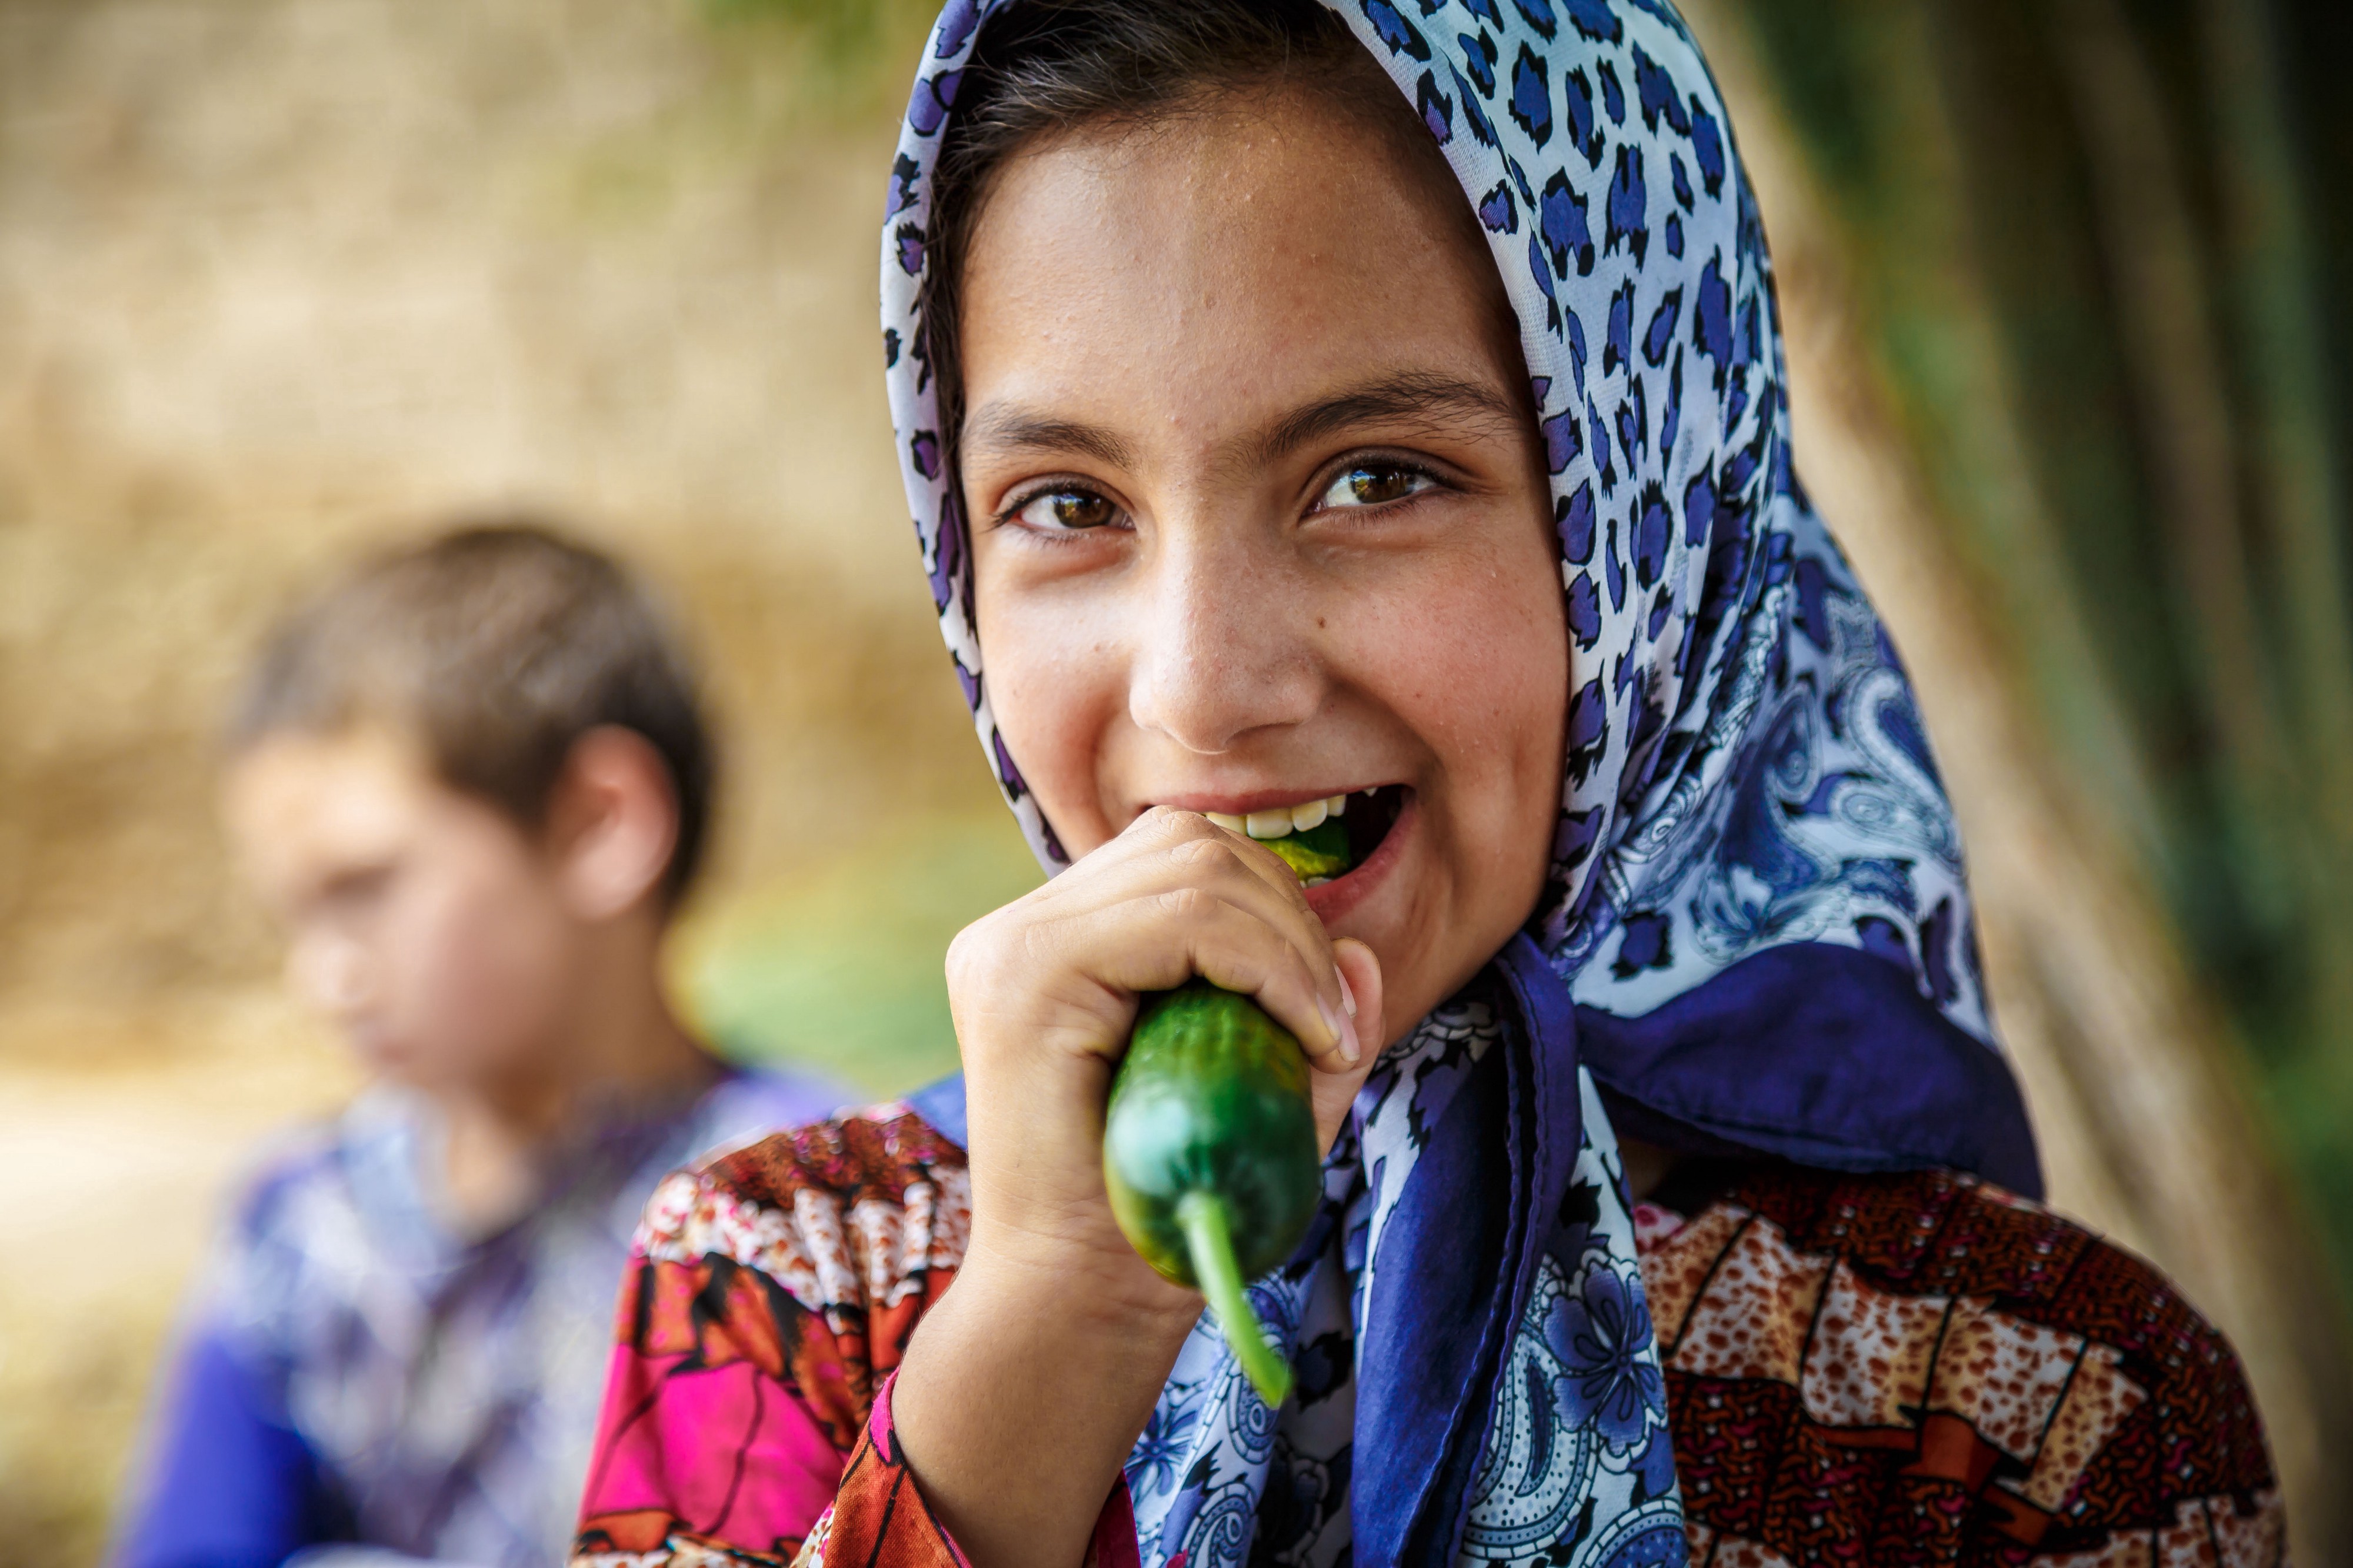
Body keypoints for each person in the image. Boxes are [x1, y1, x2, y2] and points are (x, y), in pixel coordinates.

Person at [568, 2, 2285, 1564]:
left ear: (1647, 520)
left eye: (1374, 478)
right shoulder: (789, 1287)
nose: (1201, 688)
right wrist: (1044, 1344)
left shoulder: (2026, 1414)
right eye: (1070, 506)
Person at [114, 523, 842, 1568]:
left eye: (364, 889)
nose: (323, 978)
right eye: (297, 917)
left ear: (601, 826)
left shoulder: (814, 1215)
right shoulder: (302, 1235)